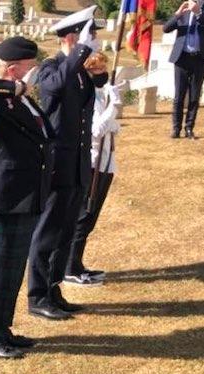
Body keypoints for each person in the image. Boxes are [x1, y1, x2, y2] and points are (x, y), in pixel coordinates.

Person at [27, 6, 108, 321]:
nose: (96, 40)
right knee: (47, 232)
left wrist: (96, 69)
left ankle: (54, 289)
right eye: (92, 35)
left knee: (65, 231)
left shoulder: (78, 69)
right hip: (58, 165)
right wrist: (82, 50)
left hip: (77, 164)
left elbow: (97, 86)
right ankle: (37, 295)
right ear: (74, 37)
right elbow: (54, 87)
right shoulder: (52, 67)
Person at [0, 37, 55, 359]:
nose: (34, 73)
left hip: (26, 195)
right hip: (2, 198)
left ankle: (4, 329)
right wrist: (14, 87)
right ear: (11, 69)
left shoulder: (23, 99)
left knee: (13, 271)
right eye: (28, 67)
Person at [65, 54, 124, 287]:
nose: (103, 72)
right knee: (83, 216)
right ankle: (69, 268)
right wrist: (114, 105)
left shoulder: (99, 94)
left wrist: (112, 113)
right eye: (98, 69)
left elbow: (112, 128)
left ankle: (77, 264)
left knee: (90, 219)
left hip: (105, 161)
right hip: (92, 163)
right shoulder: (87, 96)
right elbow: (97, 130)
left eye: (104, 68)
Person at [163, 0, 204, 139]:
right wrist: (178, 14)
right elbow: (166, 28)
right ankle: (176, 129)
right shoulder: (184, 9)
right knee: (179, 96)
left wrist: (198, 12)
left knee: (194, 96)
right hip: (181, 58)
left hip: (200, 58)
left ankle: (189, 128)